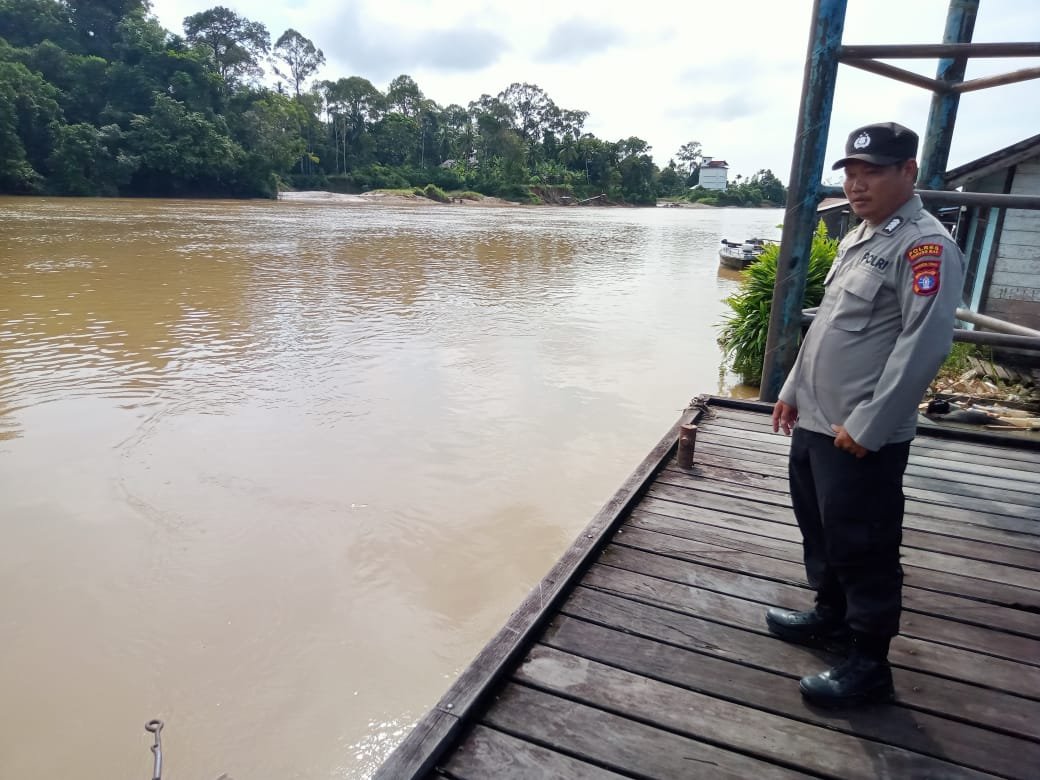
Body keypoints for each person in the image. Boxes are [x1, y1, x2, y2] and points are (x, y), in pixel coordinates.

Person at [767, 122, 965, 707]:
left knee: (865, 543)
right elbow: (827, 325)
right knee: (821, 528)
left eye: (872, 172)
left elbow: (924, 344)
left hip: (858, 433)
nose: (857, 184)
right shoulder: (861, 235)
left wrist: (870, 425)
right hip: (817, 420)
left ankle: (869, 662)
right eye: (851, 173)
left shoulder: (924, 246)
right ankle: (829, 615)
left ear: (909, 171)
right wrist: (792, 388)